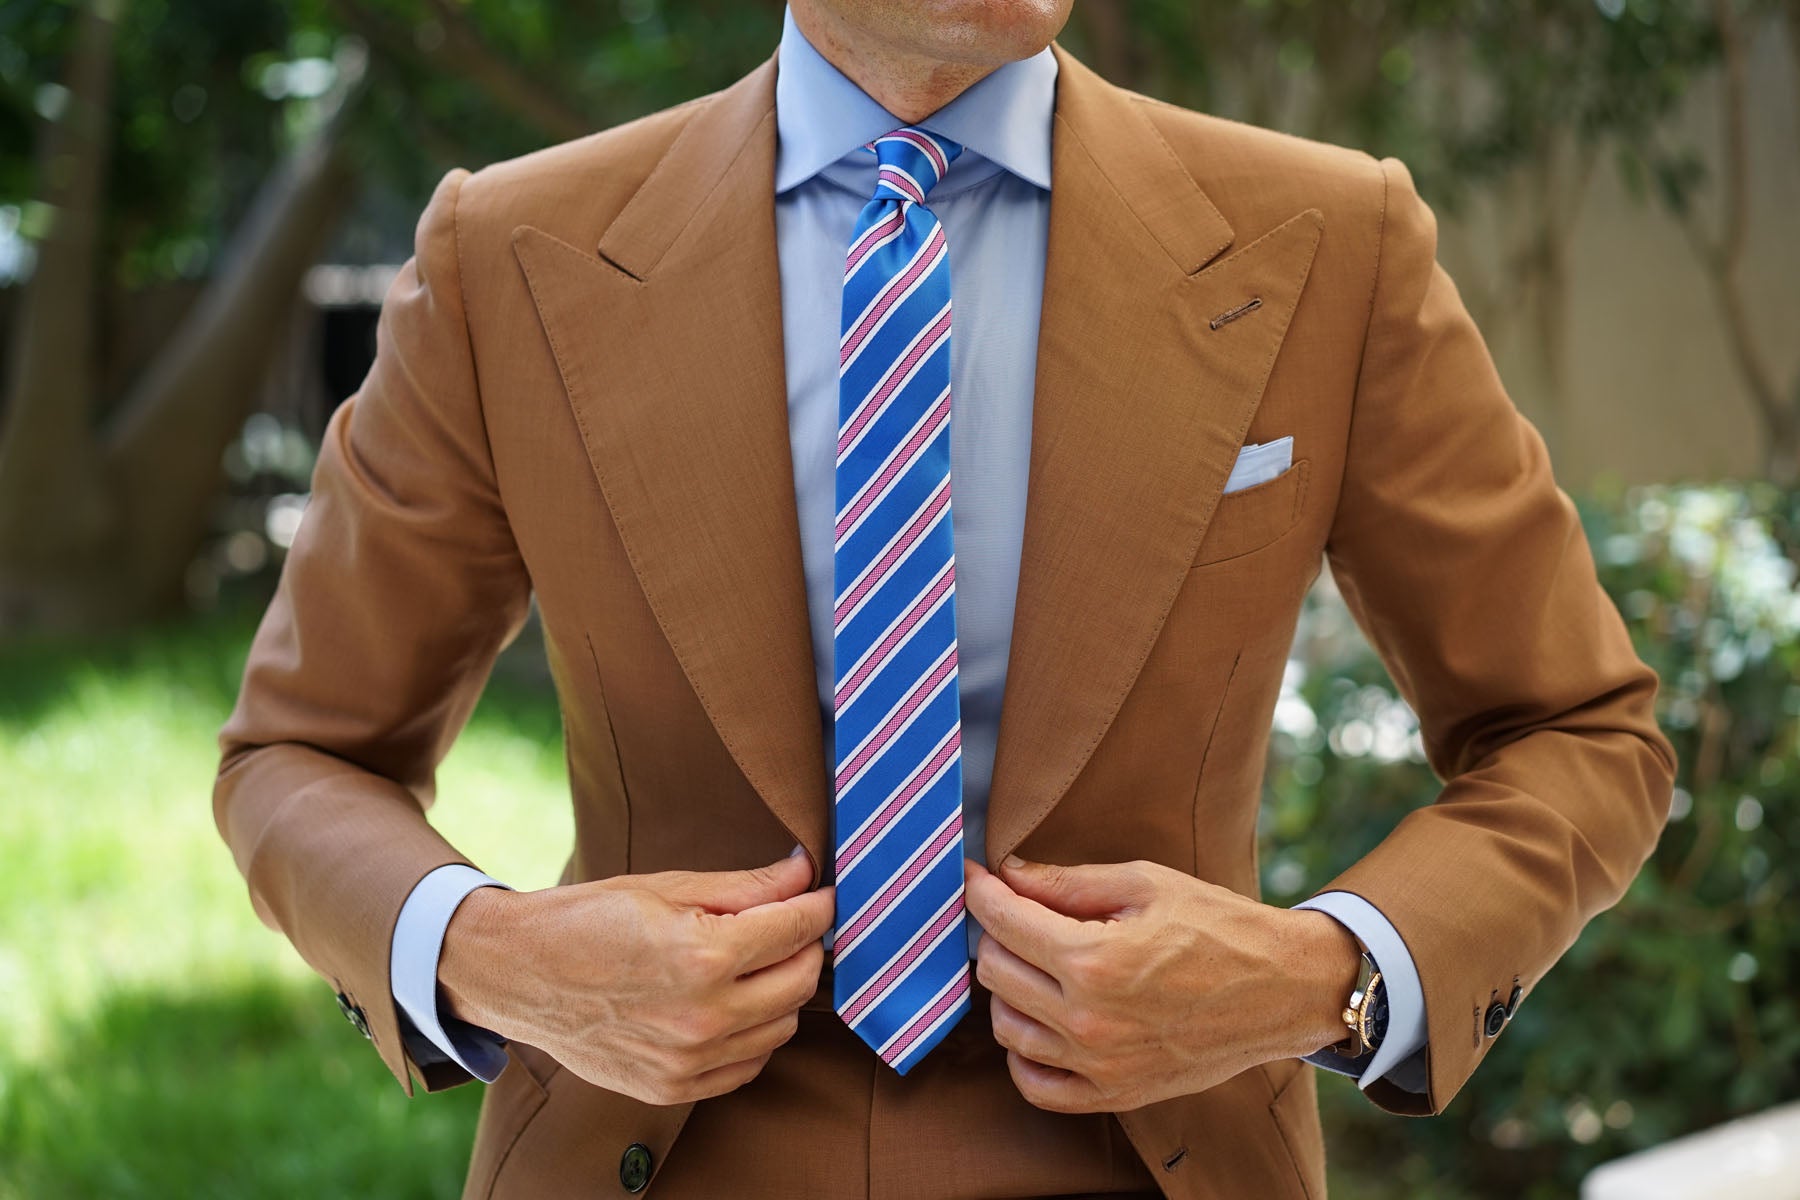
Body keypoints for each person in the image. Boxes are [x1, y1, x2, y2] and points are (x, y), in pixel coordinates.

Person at [213, 1, 1677, 1196]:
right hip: (648, 1155)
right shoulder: (506, 256)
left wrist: (1323, 975)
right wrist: (488, 955)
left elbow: (1578, 730)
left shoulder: (1331, 240)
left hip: (1159, 1156)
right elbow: (299, 755)